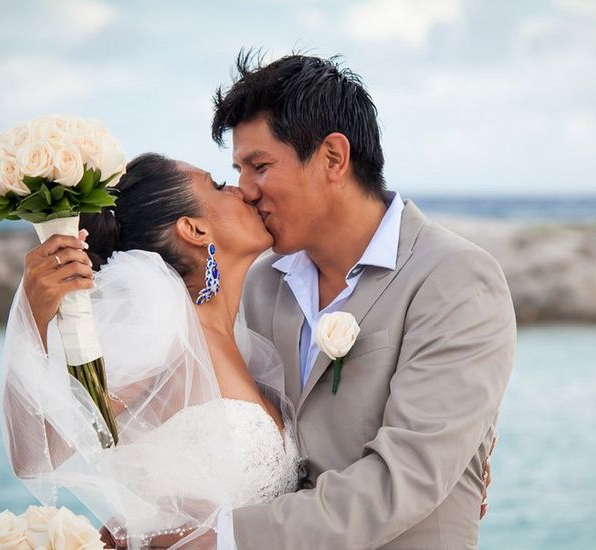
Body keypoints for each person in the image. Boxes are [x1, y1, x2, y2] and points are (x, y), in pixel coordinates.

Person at [211, 52, 516, 549]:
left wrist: (223, 536)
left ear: (333, 157)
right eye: (238, 170)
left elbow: (407, 477)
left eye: (259, 166)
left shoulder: (456, 278)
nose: (245, 191)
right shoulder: (263, 283)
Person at [9, 153, 300, 549]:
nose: (241, 189)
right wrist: (33, 318)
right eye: (216, 185)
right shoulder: (159, 327)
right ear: (193, 229)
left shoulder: (248, 334)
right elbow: (36, 456)